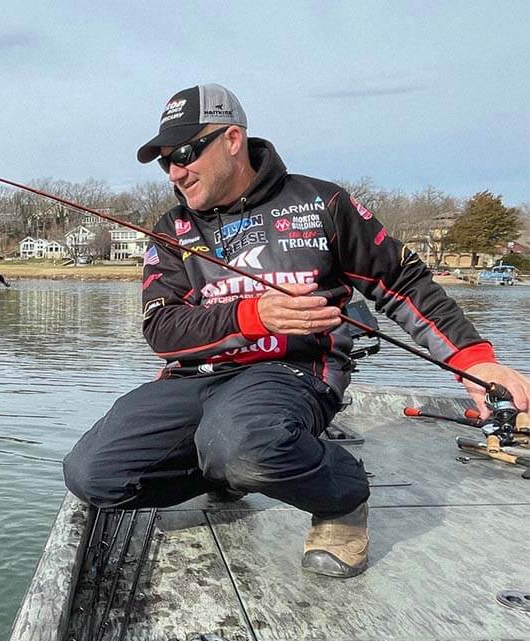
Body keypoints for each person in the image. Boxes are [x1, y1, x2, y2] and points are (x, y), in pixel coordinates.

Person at [62, 83, 530, 578]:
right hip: (193, 379)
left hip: (292, 371)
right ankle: (230, 469)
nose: (176, 171)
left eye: (184, 152)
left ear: (232, 138)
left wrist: (473, 361)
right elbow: (163, 329)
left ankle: (344, 495)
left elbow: (403, 282)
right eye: (164, 161)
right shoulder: (172, 229)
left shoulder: (322, 203)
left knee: (246, 443)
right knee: (94, 476)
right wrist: (252, 316)